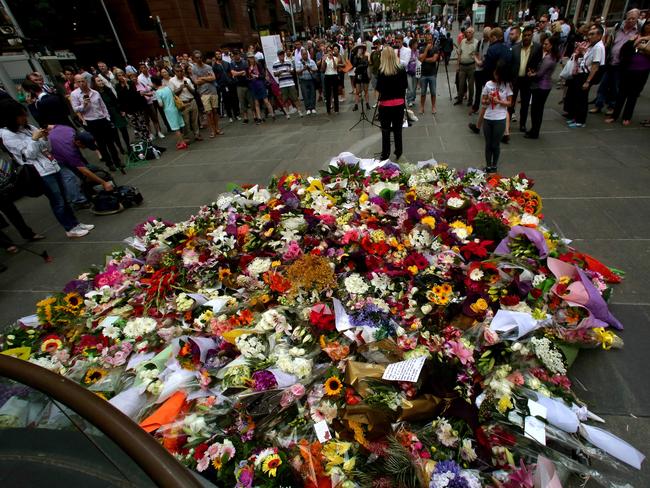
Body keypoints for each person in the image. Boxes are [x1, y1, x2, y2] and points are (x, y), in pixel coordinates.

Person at [0, 100, 93, 238]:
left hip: (52, 164)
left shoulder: (29, 127)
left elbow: (47, 148)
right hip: (40, 172)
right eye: (21, 116)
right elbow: (27, 155)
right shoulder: (7, 135)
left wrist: (44, 138)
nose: (25, 117)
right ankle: (69, 228)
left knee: (64, 198)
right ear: (11, 117)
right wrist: (35, 140)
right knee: (58, 201)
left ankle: (75, 223)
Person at [47, 124, 115, 207]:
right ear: (78, 142)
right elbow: (84, 171)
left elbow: (51, 126)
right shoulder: (70, 151)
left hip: (58, 148)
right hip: (52, 158)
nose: (86, 148)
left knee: (86, 169)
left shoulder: (69, 129)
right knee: (69, 177)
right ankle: (79, 201)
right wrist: (104, 183)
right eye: (85, 145)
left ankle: (85, 191)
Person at [70, 74, 123, 172]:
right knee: (101, 143)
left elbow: (103, 106)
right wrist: (84, 104)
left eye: (83, 81)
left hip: (102, 119)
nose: (82, 83)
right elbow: (75, 108)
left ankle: (117, 161)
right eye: (79, 82)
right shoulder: (75, 94)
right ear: (76, 83)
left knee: (110, 141)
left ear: (86, 81)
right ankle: (109, 163)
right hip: (91, 121)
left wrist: (107, 117)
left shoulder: (95, 92)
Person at [593, 9, 640, 115]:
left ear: (637, 19)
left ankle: (612, 106)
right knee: (603, 85)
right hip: (611, 60)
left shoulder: (638, 31)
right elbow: (610, 40)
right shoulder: (618, 27)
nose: (630, 20)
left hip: (622, 64)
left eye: (633, 19)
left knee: (616, 86)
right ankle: (598, 104)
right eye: (629, 18)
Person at [605, 20, 650, 125]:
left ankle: (627, 117)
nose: (649, 27)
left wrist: (643, 45)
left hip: (642, 71)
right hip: (629, 69)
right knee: (622, 93)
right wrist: (637, 41)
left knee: (633, 95)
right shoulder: (636, 35)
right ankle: (614, 115)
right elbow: (625, 49)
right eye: (647, 24)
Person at [565, 24, 606, 128]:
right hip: (581, 73)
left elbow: (595, 66)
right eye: (589, 34)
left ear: (599, 35)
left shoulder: (598, 47)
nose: (589, 36)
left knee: (582, 99)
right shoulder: (593, 45)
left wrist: (588, 81)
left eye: (592, 34)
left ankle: (580, 121)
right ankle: (576, 118)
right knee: (578, 97)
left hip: (586, 75)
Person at [375, 46, 408, 162]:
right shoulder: (401, 70)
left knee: (385, 131)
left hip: (385, 106)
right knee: (398, 130)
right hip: (399, 104)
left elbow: (379, 89)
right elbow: (405, 86)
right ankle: (399, 151)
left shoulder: (382, 72)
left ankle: (385, 154)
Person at [526, 37, 561, 138]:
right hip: (544, 85)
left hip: (541, 87)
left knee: (536, 110)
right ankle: (534, 130)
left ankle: (534, 131)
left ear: (551, 45)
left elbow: (540, 73)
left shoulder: (549, 58)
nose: (544, 46)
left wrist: (531, 74)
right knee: (537, 110)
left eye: (546, 44)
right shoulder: (552, 57)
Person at [481, 61, 513, 173]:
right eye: (495, 73)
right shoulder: (488, 84)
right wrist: (488, 100)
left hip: (500, 118)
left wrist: (499, 101)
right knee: (488, 144)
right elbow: (483, 101)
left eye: (498, 74)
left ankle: (494, 165)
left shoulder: (507, 85)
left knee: (495, 144)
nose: (495, 75)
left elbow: (510, 103)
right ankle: (488, 165)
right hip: (488, 117)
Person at [510, 26, 542, 131]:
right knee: (511, 101)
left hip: (527, 80)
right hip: (515, 79)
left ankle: (522, 124)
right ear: (522, 35)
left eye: (529, 35)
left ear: (532, 35)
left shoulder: (537, 48)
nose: (527, 37)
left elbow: (539, 63)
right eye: (525, 35)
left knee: (525, 103)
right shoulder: (515, 48)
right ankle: (507, 122)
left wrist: (534, 72)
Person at [92, 75, 129, 155]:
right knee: (114, 133)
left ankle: (128, 146)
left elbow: (116, 101)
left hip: (116, 112)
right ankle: (121, 149)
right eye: (98, 81)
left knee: (124, 129)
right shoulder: (95, 94)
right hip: (107, 115)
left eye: (101, 80)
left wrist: (121, 110)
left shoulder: (107, 89)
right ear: (94, 83)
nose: (101, 82)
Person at [191, 51, 223, 137]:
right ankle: (212, 130)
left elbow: (213, 78)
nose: (199, 59)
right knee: (208, 112)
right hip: (203, 93)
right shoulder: (194, 69)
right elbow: (196, 81)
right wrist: (207, 78)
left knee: (215, 111)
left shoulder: (208, 67)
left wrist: (202, 78)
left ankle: (217, 128)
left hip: (213, 90)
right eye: (197, 58)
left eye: (200, 57)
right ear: (194, 59)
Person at [151, 75, 187, 150]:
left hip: (168, 110)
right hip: (175, 108)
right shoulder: (167, 88)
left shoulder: (157, 92)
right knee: (180, 125)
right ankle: (181, 140)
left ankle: (182, 143)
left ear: (154, 83)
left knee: (175, 128)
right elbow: (173, 96)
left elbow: (161, 104)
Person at [115, 69, 150, 143]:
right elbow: (120, 98)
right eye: (119, 75)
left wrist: (127, 85)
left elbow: (134, 94)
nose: (121, 77)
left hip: (137, 107)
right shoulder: (117, 86)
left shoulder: (130, 83)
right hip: (128, 110)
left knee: (142, 124)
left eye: (122, 74)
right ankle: (142, 141)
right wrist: (122, 110)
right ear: (117, 77)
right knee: (136, 126)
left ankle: (147, 140)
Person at [169, 65, 201, 141]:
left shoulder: (187, 79)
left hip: (192, 101)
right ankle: (186, 137)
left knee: (195, 120)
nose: (180, 72)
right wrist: (180, 88)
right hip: (183, 103)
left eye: (181, 71)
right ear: (174, 72)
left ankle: (197, 134)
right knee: (186, 122)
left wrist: (188, 87)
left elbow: (194, 92)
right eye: (178, 71)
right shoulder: (172, 81)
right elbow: (172, 94)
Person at [272, 50, 304, 118]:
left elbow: (293, 71)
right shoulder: (275, 63)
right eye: (280, 55)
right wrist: (280, 72)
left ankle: (299, 111)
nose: (282, 56)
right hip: (282, 84)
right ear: (278, 56)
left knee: (295, 97)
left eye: (282, 54)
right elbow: (275, 74)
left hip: (290, 82)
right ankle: (287, 113)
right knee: (284, 99)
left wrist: (290, 71)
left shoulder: (288, 62)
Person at [137, 63, 165, 138]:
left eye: (144, 67)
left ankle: (160, 131)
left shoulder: (151, 75)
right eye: (142, 68)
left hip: (156, 95)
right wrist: (150, 88)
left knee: (159, 115)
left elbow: (154, 84)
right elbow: (144, 90)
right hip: (148, 100)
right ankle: (154, 132)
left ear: (147, 68)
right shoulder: (139, 78)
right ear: (140, 69)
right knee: (150, 118)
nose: (144, 69)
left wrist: (151, 87)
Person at [246, 53, 275, 124]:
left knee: (266, 100)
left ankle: (272, 114)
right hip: (253, 85)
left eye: (252, 57)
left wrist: (256, 76)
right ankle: (259, 117)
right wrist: (249, 77)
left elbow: (263, 75)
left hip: (260, 84)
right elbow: (247, 77)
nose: (251, 59)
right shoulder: (248, 67)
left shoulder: (258, 65)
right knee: (256, 102)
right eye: (249, 58)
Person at [214, 49, 239, 122]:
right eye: (217, 54)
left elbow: (231, 72)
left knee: (234, 99)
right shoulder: (215, 66)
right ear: (215, 56)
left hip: (230, 84)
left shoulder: (226, 63)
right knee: (226, 101)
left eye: (219, 54)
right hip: (222, 85)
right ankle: (230, 116)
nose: (218, 55)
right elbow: (216, 77)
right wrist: (218, 85)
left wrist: (231, 80)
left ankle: (236, 114)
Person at [456, 27, 479, 107]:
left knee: (471, 85)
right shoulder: (463, 41)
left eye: (469, 32)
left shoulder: (476, 42)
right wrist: (458, 65)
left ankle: (470, 101)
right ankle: (459, 99)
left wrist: (477, 65)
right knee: (461, 84)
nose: (467, 33)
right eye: (467, 32)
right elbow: (459, 52)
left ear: (473, 33)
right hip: (462, 66)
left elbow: (478, 55)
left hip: (471, 66)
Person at [418, 33, 440, 115]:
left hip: (432, 74)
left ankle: (433, 107)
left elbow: (434, 59)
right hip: (423, 74)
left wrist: (424, 59)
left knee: (433, 92)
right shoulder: (422, 48)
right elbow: (420, 60)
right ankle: (422, 107)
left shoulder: (435, 48)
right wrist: (426, 50)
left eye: (430, 40)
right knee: (423, 92)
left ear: (432, 40)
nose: (429, 42)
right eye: (427, 40)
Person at [230, 50, 252, 124]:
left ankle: (255, 116)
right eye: (234, 55)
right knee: (242, 103)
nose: (236, 56)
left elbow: (247, 72)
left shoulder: (245, 62)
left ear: (239, 54)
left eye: (237, 54)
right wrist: (241, 72)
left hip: (247, 84)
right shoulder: (232, 63)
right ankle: (245, 118)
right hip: (239, 85)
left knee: (251, 101)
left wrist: (239, 73)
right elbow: (233, 73)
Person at [295, 48, 318, 114]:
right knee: (305, 94)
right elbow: (297, 72)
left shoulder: (312, 61)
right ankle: (308, 108)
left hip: (311, 79)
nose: (305, 55)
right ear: (301, 55)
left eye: (306, 54)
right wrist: (303, 69)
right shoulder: (299, 62)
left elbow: (316, 69)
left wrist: (310, 68)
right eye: (303, 54)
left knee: (313, 94)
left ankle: (313, 107)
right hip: (303, 80)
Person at [322, 46, 342, 115]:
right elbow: (322, 69)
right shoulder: (325, 58)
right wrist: (324, 61)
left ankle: (336, 109)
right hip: (327, 76)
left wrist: (332, 58)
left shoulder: (335, 58)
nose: (329, 52)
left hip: (334, 75)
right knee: (328, 94)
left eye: (330, 50)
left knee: (335, 93)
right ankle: (328, 110)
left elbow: (335, 67)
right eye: (328, 51)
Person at [352, 45, 371, 111]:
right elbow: (354, 64)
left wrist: (359, 66)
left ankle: (367, 103)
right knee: (357, 91)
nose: (361, 50)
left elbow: (366, 65)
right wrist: (358, 57)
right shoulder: (355, 57)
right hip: (358, 75)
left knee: (366, 90)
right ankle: (356, 105)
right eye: (359, 49)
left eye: (362, 49)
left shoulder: (365, 57)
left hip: (364, 74)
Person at [405, 39, 419, 108]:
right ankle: (409, 100)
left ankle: (413, 99)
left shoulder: (417, 51)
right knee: (410, 87)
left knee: (414, 87)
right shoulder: (408, 51)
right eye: (416, 44)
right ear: (412, 44)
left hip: (416, 72)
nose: (417, 45)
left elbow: (418, 60)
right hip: (409, 72)